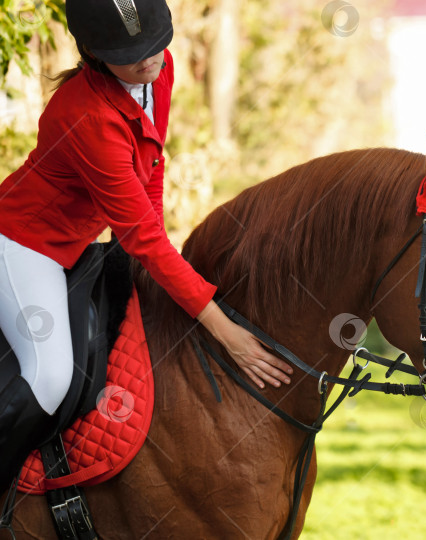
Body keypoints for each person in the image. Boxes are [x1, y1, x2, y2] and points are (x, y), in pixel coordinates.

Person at [0, 0, 292, 488]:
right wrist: (226, 331)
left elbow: (149, 169)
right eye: (131, 51)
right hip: (23, 245)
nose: (149, 58)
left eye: (156, 42)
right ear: (93, 53)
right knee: (51, 377)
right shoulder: (87, 116)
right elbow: (142, 239)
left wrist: (156, 237)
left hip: (76, 243)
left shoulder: (160, 70)